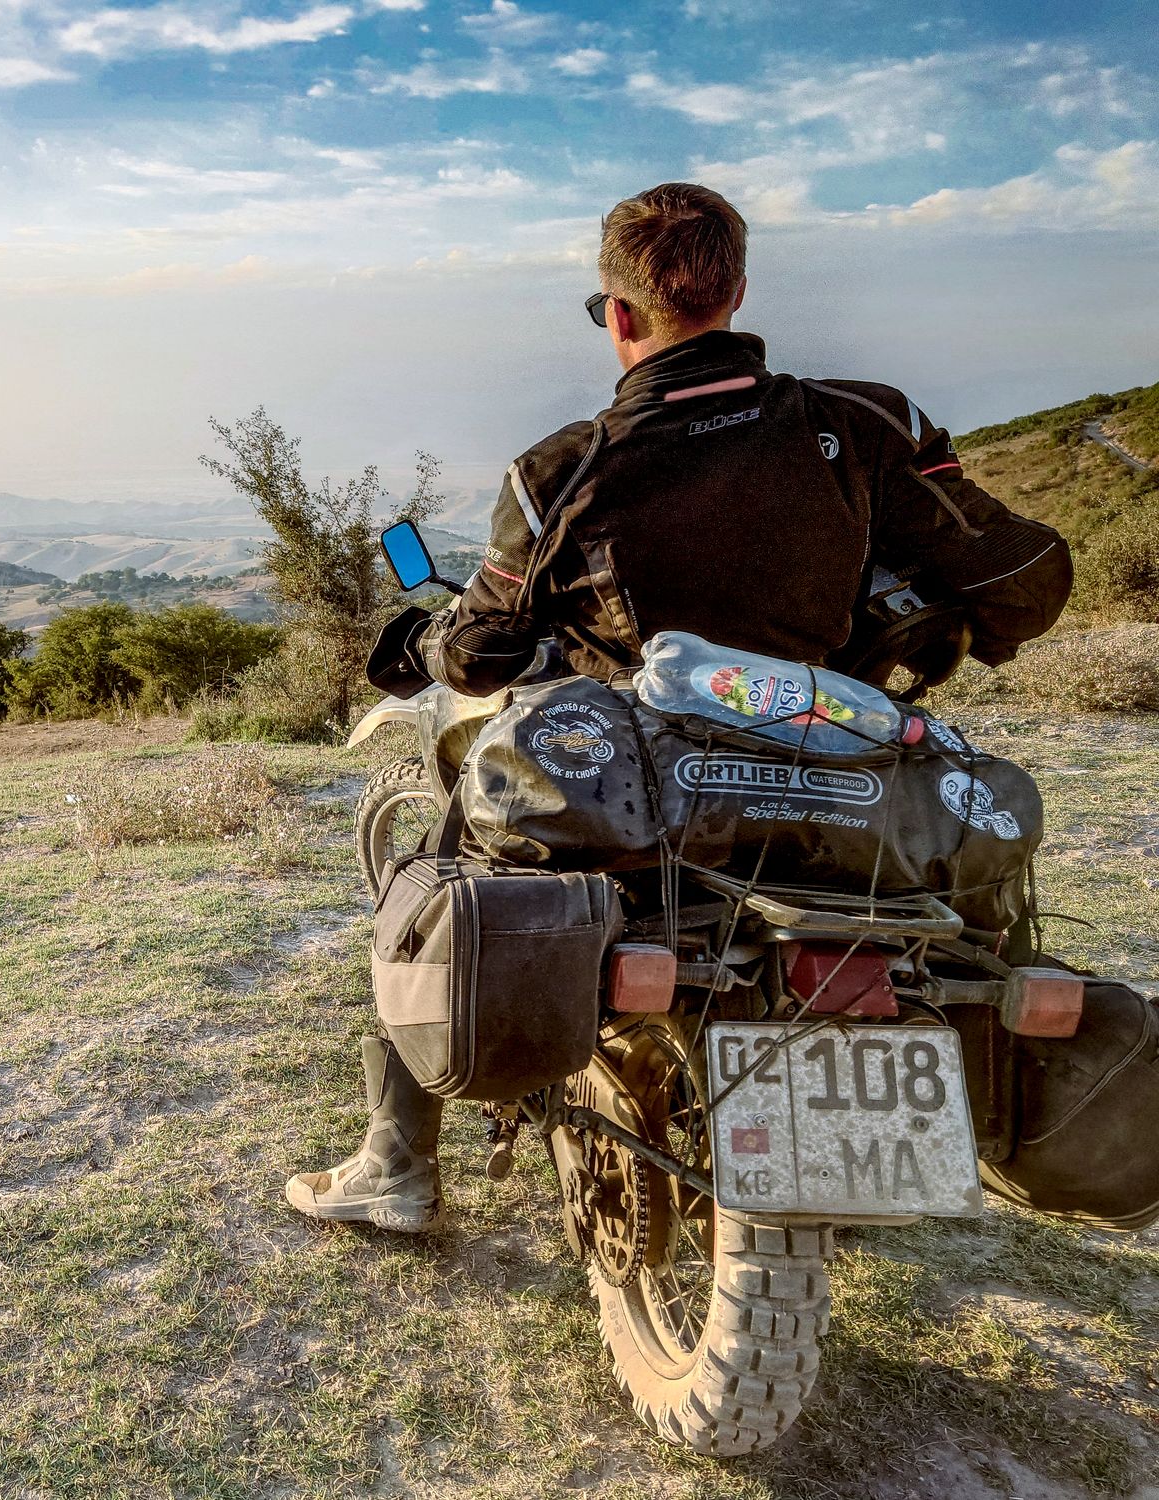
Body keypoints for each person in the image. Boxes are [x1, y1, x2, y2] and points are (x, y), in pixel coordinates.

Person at [285, 181, 1073, 1233]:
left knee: (432, 871)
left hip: (652, 800)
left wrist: (422, 642)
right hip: (846, 778)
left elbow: (477, 653)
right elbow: (1019, 576)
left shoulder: (557, 475)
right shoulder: (869, 421)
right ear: (738, 289)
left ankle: (395, 1165)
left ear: (616, 314)